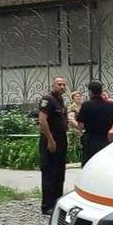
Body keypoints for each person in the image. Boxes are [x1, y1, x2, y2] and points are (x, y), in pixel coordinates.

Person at [38, 76, 68, 215]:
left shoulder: (60, 100)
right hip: (51, 140)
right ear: (53, 85)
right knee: (50, 172)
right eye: (59, 84)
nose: (62, 87)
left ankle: (57, 202)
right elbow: (42, 120)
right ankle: (47, 206)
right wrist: (50, 139)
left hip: (61, 140)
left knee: (59, 173)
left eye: (64, 85)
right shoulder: (47, 99)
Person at [76, 80, 113, 166]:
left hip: (91, 141)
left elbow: (80, 126)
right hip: (107, 140)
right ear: (101, 91)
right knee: (105, 165)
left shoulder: (86, 105)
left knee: (89, 165)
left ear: (90, 92)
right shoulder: (110, 105)